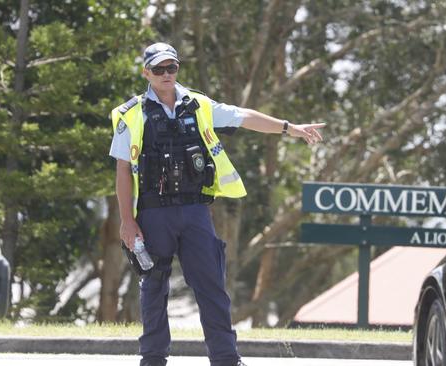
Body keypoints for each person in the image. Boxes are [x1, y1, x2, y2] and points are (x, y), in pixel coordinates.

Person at [109, 42, 325, 366]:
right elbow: (123, 170)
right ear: (146, 73)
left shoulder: (199, 104)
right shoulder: (131, 114)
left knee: (212, 287)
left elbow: (243, 116)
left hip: (195, 210)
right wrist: (127, 220)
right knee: (153, 288)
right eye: (159, 69)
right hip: (153, 213)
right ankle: (152, 358)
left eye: (172, 68)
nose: (167, 74)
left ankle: (226, 359)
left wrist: (289, 128)